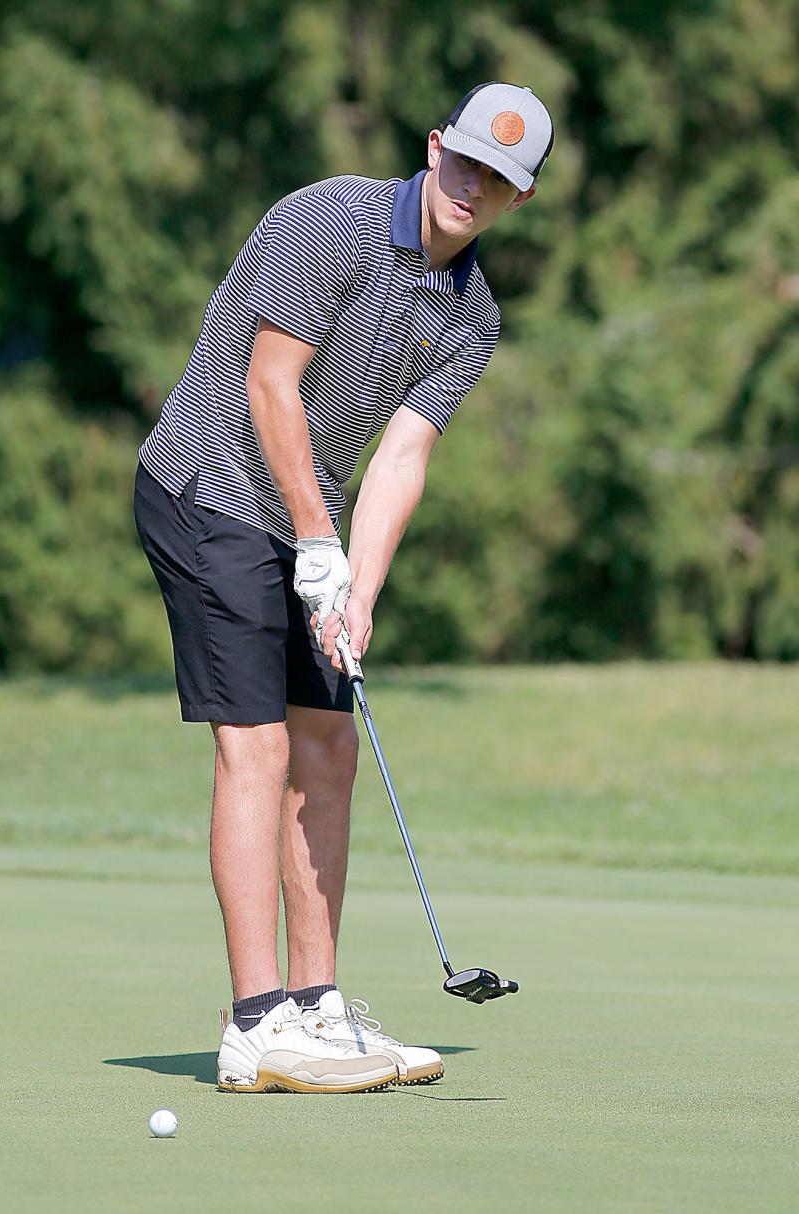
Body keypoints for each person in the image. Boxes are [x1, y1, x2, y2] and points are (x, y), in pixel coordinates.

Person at [134, 81, 554, 1093]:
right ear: (434, 146)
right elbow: (268, 386)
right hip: (208, 484)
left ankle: (318, 1010)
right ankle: (254, 1024)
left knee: (329, 739)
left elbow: (402, 457)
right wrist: (319, 544)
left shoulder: (473, 319)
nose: (472, 185)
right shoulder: (334, 220)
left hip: (305, 519)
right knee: (259, 741)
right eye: (464, 161)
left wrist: (355, 588)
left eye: (498, 179)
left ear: (518, 200)